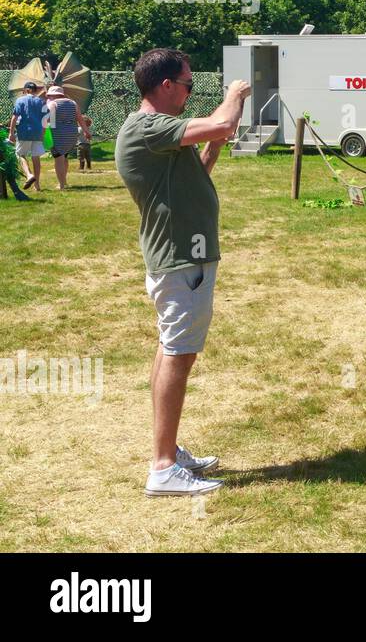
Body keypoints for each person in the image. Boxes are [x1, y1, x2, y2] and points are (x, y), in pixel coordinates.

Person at [115, 48, 250, 496]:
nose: (192, 91)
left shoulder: (162, 137)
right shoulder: (149, 126)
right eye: (189, 84)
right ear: (166, 86)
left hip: (183, 258)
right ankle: (162, 467)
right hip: (180, 260)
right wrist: (234, 94)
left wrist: (212, 146)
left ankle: (168, 449)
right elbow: (225, 122)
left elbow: (199, 170)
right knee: (177, 353)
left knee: (173, 351)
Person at [44, 86, 88, 190]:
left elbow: (47, 120)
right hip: (71, 134)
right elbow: (80, 119)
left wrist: (42, 132)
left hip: (58, 134)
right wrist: (87, 131)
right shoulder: (73, 103)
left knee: (58, 159)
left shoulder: (52, 104)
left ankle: (61, 185)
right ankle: (64, 181)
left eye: (49, 96)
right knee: (64, 157)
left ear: (53, 95)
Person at [9, 81, 46, 191]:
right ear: (35, 90)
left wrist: (11, 133)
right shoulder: (41, 101)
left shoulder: (20, 100)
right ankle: (37, 185)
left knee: (20, 154)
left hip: (24, 131)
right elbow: (45, 119)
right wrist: (43, 132)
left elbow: (14, 118)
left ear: (26, 90)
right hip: (38, 132)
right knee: (36, 157)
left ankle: (29, 175)